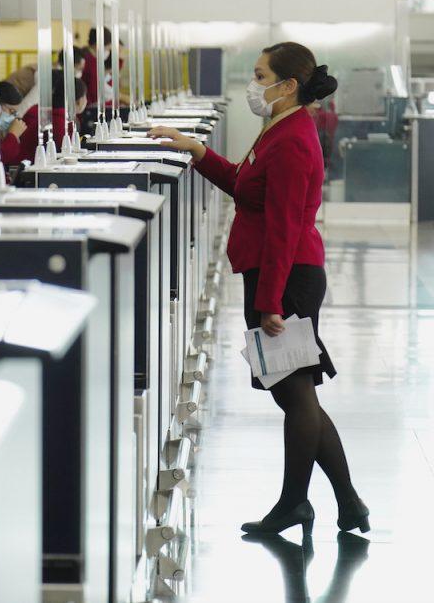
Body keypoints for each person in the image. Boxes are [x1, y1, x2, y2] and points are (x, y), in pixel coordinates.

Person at [148, 42, 368, 537]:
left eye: (260, 74)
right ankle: (349, 503)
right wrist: (195, 149)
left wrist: (270, 302)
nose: (254, 83)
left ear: (288, 86)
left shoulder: (291, 138)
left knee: (295, 394)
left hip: (287, 275)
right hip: (277, 271)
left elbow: (286, 225)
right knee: (297, 393)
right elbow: (244, 187)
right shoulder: (279, 127)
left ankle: (295, 504)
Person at [18, 70, 87, 161]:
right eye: (85, 96)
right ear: (79, 100)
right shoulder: (58, 120)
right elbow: (64, 154)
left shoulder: (58, 115)